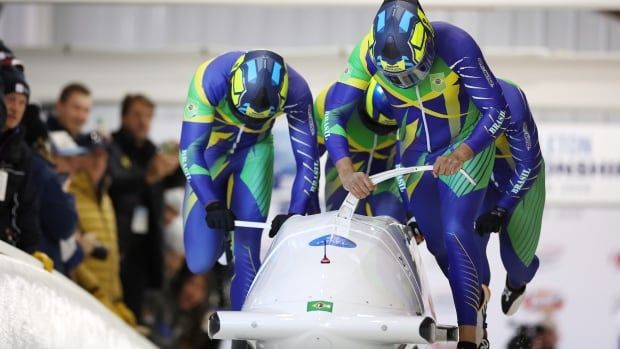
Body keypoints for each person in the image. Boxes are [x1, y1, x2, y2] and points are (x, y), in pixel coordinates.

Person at [323, 1, 510, 347]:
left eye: (413, 72)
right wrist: (346, 170)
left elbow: (497, 110)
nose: (407, 83)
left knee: (456, 233)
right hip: (414, 151)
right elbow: (334, 114)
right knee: (438, 243)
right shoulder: (365, 52)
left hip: (464, 143)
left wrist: (464, 152)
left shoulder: (457, 44)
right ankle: (478, 298)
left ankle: (469, 338)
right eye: (397, 79)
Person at [179, 50, 320, 313]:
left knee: (247, 254)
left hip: (254, 153)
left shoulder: (296, 90)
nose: (247, 120)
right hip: (210, 152)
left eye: (257, 117)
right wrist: (212, 204)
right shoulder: (209, 78)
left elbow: (308, 161)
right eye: (242, 114)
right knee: (198, 262)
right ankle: (223, 239)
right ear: (233, 85)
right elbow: (189, 151)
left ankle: (243, 337)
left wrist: (295, 213)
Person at [476, 80, 545, 317]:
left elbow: (528, 165)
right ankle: (476, 292)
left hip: (521, 178)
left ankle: (516, 284)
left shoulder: (513, 105)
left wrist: (502, 208)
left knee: (518, 265)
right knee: (467, 239)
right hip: (478, 174)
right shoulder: (453, 96)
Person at [107, 93, 178, 321]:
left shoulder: (152, 151)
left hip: (146, 250)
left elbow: (170, 182)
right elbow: (113, 185)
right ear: (123, 116)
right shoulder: (111, 147)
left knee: (134, 320)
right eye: (137, 115)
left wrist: (182, 162)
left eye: (148, 116)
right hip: (117, 245)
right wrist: (147, 177)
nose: (143, 121)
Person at [313, 81, 407, 222]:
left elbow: (408, 159)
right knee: (341, 221)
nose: (379, 131)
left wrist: (412, 215)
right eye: (375, 125)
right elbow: (310, 159)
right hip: (347, 162)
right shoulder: (334, 99)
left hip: (387, 164)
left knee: (393, 218)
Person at [69, 130, 136, 325]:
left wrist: (117, 300)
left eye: (103, 155)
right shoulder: (70, 194)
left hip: (106, 303)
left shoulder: (106, 199)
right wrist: (95, 290)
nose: (98, 161)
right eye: (92, 155)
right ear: (80, 157)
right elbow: (70, 252)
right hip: (82, 299)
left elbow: (113, 255)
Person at [0, 65, 52, 269]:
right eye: (11, 99)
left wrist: (31, 251)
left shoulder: (22, 153)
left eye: (22, 102)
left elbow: (27, 207)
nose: (16, 108)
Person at [22, 106, 81, 275]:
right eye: (67, 158)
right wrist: (66, 196)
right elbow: (64, 225)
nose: (73, 165)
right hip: (39, 269)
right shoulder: (45, 173)